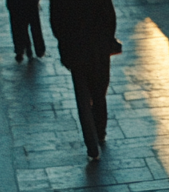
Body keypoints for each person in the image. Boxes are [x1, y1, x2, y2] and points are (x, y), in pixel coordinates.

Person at [49, 0, 118, 160]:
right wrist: (109, 39)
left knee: (82, 99)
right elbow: (109, 15)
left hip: (75, 50)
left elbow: (56, 23)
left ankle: (91, 145)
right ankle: (100, 131)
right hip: (98, 49)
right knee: (99, 92)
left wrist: (64, 44)